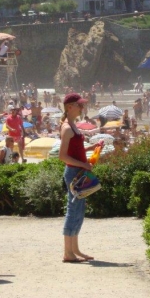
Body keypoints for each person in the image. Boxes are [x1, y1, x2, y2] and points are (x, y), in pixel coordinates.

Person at [58, 93, 96, 263]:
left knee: (79, 210)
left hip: (78, 171)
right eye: (79, 105)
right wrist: (84, 165)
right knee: (73, 210)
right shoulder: (67, 128)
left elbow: (75, 151)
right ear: (69, 107)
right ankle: (68, 252)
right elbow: (63, 156)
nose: (82, 108)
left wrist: (91, 148)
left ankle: (75, 249)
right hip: (74, 173)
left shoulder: (72, 125)